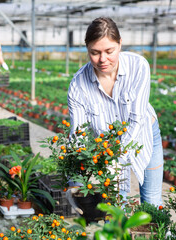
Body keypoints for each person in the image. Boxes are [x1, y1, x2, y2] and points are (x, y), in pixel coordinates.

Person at [68, 17, 163, 206]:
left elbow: (136, 119)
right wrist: (76, 182)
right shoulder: (78, 86)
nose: (102, 59)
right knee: (115, 206)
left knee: (152, 203)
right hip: (107, 148)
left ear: (120, 44)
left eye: (109, 51)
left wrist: (118, 157)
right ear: (87, 49)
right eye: (94, 53)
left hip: (145, 136)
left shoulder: (138, 66)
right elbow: (77, 134)